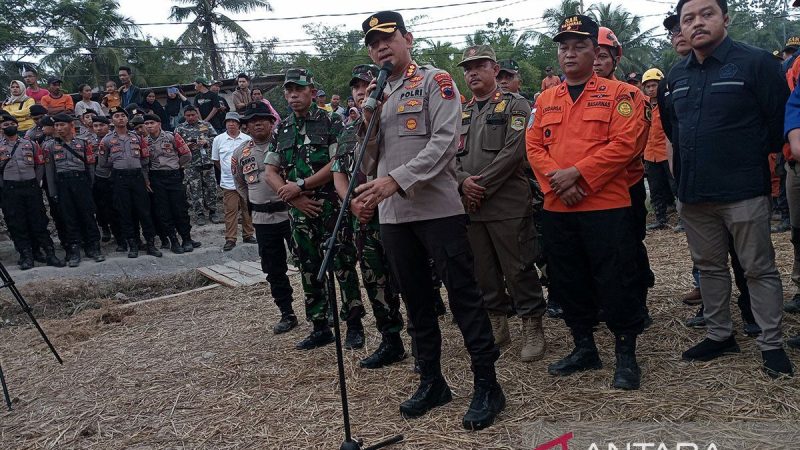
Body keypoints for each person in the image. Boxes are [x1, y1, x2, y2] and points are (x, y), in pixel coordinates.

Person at [355, 11, 504, 430]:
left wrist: (395, 181)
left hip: (437, 211)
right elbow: (369, 161)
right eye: (373, 43)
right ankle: (433, 380)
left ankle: (488, 385)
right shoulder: (378, 95)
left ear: (408, 39)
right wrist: (368, 125)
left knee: (463, 298)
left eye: (388, 38)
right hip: (394, 217)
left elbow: (445, 143)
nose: (381, 47)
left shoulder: (435, 81)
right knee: (417, 301)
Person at [667, 0, 792, 377]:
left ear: (726, 18)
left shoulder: (756, 64)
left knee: (759, 268)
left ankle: (771, 343)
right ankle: (720, 334)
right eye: (689, 19)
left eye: (707, 14)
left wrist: (745, 160)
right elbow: (675, 129)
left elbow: (777, 123)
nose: (697, 23)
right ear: (681, 29)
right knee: (709, 267)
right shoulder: (676, 75)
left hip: (743, 189)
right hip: (694, 193)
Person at [526, 15, 646, 390]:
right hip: (559, 207)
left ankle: (626, 354)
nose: (570, 53)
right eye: (564, 46)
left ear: (596, 51)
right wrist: (558, 182)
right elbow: (533, 146)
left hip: (606, 206)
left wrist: (577, 174)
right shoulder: (545, 99)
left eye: (579, 45)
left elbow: (626, 145)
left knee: (616, 280)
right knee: (568, 280)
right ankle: (584, 347)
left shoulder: (622, 95)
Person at [264, 67, 366, 350]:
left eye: (299, 89)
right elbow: (270, 171)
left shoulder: (333, 121)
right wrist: (292, 196)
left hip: (330, 205)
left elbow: (337, 164)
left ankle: (354, 324)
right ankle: (320, 326)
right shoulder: (282, 128)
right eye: (289, 90)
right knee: (307, 267)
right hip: (299, 210)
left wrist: (301, 184)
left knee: (342, 264)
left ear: (312, 91)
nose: (293, 95)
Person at [455, 45, 546, 362]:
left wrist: (479, 184)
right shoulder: (462, 112)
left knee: (518, 268)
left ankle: (532, 325)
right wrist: (462, 182)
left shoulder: (514, 105)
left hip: (507, 204)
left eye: (479, 66)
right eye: (468, 68)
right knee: (484, 271)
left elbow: (514, 152)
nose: (473, 73)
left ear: (494, 69)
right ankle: (498, 323)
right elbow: (449, 157)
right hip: (473, 206)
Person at [331, 64, 406, 369]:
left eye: (367, 85)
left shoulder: (397, 118)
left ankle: (425, 341)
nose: (362, 91)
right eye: (356, 87)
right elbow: (338, 173)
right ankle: (392, 342)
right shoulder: (347, 131)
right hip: (363, 218)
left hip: (397, 212)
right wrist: (351, 204)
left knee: (411, 278)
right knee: (375, 281)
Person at [232, 101, 297, 334]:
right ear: (246, 127)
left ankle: (320, 310)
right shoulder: (240, 153)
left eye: (261, 118)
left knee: (308, 261)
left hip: (290, 214)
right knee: (273, 268)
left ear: (272, 122)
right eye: (251, 121)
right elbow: (240, 184)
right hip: (262, 220)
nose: (257, 123)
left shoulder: (286, 145)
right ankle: (286, 313)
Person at [0, 112, 63, 269]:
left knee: (39, 221)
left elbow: (40, 164)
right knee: (17, 223)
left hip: (31, 187)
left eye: (11, 124)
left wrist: (36, 181)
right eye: (5, 125)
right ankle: (26, 256)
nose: (9, 126)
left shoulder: (30, 144)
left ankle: (49, 253)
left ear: (17, 125)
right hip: (10, 189)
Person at [97, 106, 162, 258]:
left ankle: (150, 244)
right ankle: (133, 244)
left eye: (122, 116)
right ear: (112, 120)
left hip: (137, 177)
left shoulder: (137, 137)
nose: (120, 118)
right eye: (116, 116)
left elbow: (145, 158)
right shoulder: (106, 140)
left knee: (144, 211)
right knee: (125, 212)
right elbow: (102, 162)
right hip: (119, 178)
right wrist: (115, 161)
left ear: (127, 119)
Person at [42, 113, 103, 267]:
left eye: (62, 125)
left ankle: (94, 247)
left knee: (87, 215)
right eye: (56, 125)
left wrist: (91, 186)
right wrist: (53, 192)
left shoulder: (83, 143)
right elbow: (49, 171)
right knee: (69, 218)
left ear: (71, 125)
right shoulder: (49, 146)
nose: (59, 128)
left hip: (81, 182)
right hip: (63, 184)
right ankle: (74, 250)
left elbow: (90, 166)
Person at [143, 113, 199, 253]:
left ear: (159, 123)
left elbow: (186, 154)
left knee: (180, 209)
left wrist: (176, 165)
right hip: (156, 177)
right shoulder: (144, 141)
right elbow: (144, 162)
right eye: (147, 123)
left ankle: (186, 238)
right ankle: (173, 240)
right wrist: (146, 179)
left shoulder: (172, 136)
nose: (149, 126)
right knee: (164, 211)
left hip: (173, 176)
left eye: (152, 123)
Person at [211, 112, 256, 251]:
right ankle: (230, 238)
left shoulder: (247, 139)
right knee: (230, 211)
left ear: (238, 124)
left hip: (246, 181)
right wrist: (228, 171)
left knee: (247, 209)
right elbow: (216, 160)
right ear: (225, 124)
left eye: (233, 121)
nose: (231, 124)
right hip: (228, 183)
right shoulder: (218, 139)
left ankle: (248, 234)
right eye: (228, 121)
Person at [641, 68, 676, 230]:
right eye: (647, 86)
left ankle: (684, 219)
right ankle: (660, 219)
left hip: (666, 154)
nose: (650, 89)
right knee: (655, 189)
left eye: (654, 85)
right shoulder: (643, 107)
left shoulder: (669, 104)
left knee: (675, 186)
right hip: (650, 155)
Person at [175, 105, 222, 225]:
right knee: (195, 189)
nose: (191, 117)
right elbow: (175, 145)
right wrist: (186, 146)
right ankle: (199, 213)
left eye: (193, 115)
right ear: (184, 116)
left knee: (211, 187)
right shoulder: (180, 128)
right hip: (191, 164)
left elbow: (216, 139)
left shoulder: (206, 125)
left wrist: (207, 142)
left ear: (197, 114)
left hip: (207, 161)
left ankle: (213, 211)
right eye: (188, 115)